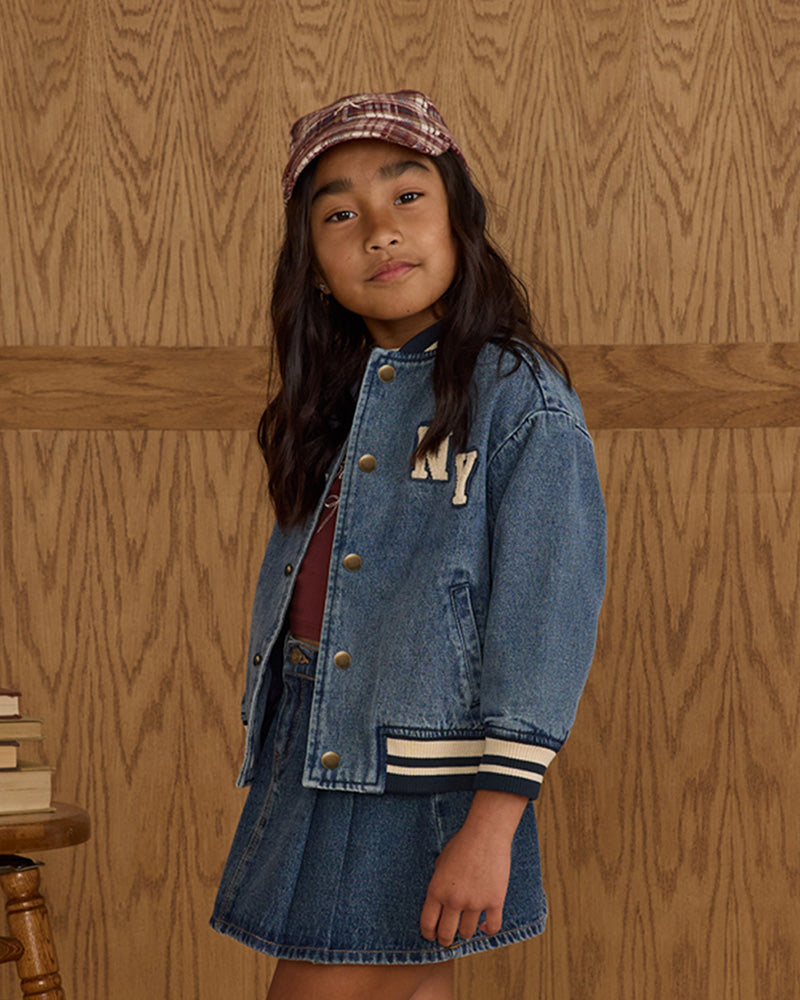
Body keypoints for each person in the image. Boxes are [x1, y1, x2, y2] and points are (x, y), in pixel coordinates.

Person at [210, 91, 606, 1000]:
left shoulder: (518, 398)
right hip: (320, 741)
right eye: (341, 215)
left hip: (415, 772)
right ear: (312, 265)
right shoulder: (341, 399)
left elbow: (547, 616)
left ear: (461, 221)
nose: (379, 232)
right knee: (406, 988)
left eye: (408, 198)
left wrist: (492, 825)